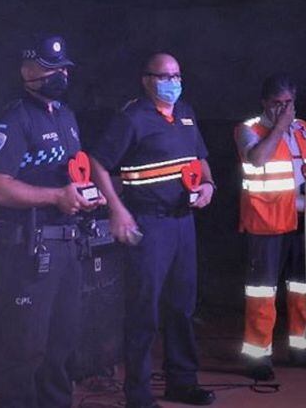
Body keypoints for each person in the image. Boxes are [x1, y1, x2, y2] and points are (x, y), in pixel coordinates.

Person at [0, 34, 105, 408]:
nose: (61, 75)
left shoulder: (65, 116)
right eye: (52, 69)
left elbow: (69, 175)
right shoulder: (13, 119)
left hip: (68, 245)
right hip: (29, 251)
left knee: (62, 346)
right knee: (24, 349)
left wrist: (84, 194)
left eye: (64, 68)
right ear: (27, 70)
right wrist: (56, 197)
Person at [89, 52, 216, 408]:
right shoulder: (132, 117)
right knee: (144, 310)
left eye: (177, 75)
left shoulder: (186, 114)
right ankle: (139, 393)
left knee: (182, 307)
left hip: (183, 223)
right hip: (149, 222)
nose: (172, 82)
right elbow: (97, 162)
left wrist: (208, 185)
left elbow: (200, 159)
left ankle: (182, 382)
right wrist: (117, 209)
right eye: (164, 76)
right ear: (146, 80)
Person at [235, 73, 306, 381]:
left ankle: (301, 348)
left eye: (289, 103)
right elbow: (257, 159)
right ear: (265, 102)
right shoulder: (247, 129)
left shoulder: (304, 129)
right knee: (261, 293)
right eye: (277, 103)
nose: (284, 109)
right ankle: (258, 357)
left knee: (301, 290)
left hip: (301, 222)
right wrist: (280, 126)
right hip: (265, 224)